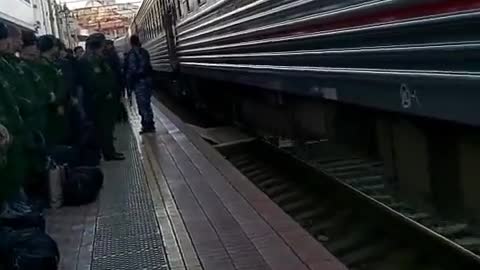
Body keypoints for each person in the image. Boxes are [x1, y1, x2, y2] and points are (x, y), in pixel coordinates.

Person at [78, 33, 124, 161]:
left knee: (107, 127)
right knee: (103, 128)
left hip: (106, 99)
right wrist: (105, 92)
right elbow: (92, 82)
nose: (105, 46)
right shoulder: (87, 60)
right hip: (98, 100)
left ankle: (108, 151)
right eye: (103, 43)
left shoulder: (99, 58)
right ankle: (106, 153)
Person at [126, 34, 155, 134]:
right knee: (147, 103)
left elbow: (132, 70)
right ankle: (150, 123)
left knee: (142, 105)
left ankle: (147, 125)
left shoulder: (132, 54)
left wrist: (129, 82)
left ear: (131, 43)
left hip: (139, 82)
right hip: (147, 80)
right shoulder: (144, 52)